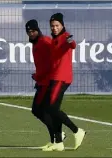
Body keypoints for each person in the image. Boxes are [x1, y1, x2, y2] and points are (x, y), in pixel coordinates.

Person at [42, 13, 86, 151]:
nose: (54, 28)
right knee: (53, 109)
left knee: (52, 108)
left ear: (62, 25)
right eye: (52, 26)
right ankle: (59, 143)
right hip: (54, 78)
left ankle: (77, 131)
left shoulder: (65, 36)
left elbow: (72, 44)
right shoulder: (54, 40)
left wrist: (70, 41)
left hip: (62, 78)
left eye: (57, 25)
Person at [25, 19, 66, 150]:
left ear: (38, 30)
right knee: (39, 111)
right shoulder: (36, 43)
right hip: (42, 81)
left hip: (48, 82)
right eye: (29, 32)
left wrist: (43, 76)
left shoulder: (45, 41)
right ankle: (56, 136)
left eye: (33, 31)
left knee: (41, 110)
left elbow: (55, 56)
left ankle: (57, 137)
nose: (31, 34)